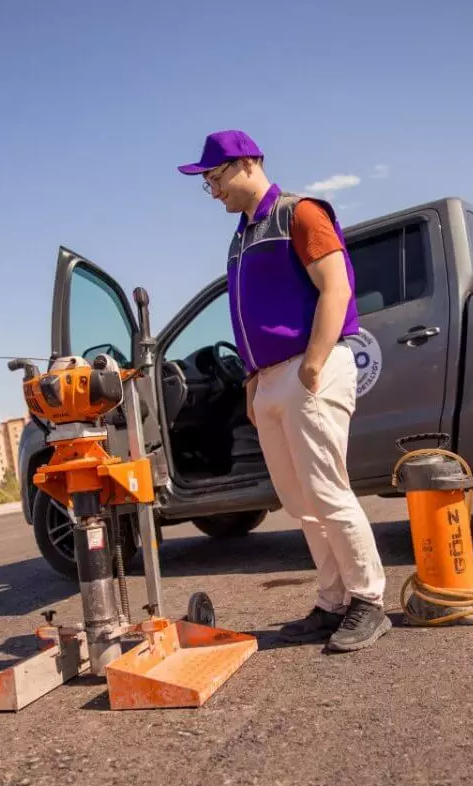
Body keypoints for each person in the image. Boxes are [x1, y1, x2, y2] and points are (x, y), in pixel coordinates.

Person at [177, 130, 390, 653]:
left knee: (328, 491)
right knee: (301, 502)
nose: (213, 190)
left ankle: (369, 600)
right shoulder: (242, 236)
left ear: (248, 162)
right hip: (269, 379)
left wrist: (314, 365)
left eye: (216, 176)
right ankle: (333, 601)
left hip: (306, 369)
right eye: (206, 182)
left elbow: (335, 288)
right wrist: (253, 381)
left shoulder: (300, 213)